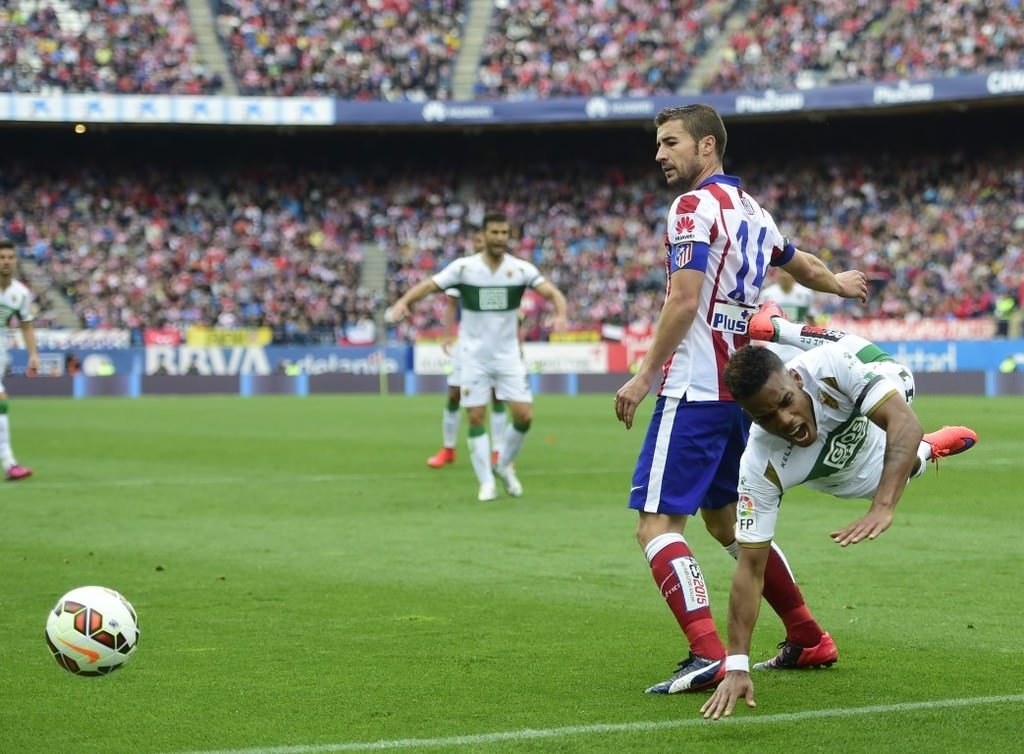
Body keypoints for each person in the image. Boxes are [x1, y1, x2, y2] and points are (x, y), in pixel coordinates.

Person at [613, 104, 869, 694]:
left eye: (670, 142)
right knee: (728, 523)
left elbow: (684, 300)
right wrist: (838, 283)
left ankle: (706, 650)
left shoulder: (692, 207)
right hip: (741, 396)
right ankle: (808, 635)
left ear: (707, 147)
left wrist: (645, 373)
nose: (659, 154)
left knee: (656, 525)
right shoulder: (753, 211)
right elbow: (796, 261)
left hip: (695, 388)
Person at [701, 334, 978, 719]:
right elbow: (750, 569)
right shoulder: (760, 464)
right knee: (910, 461)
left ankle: (781, 327)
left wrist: (884, 506)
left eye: (785, 402)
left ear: (797, 381)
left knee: (893, 392)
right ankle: (929, 449)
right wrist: (736, 666)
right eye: (766, 417)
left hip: (887, 400)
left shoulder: (828, 367)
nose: (785, 420)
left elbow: (903, 421)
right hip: (857, 478)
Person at [388, 211, 568, 501]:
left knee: (524, 416)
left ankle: (503, 464)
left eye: (504, 233)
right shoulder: (463, 268)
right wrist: (404, 301)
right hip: (473, 357)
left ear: (509, 236)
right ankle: (486, 483)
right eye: (494, 233)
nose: (499, 238)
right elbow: (430, 285)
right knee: (475, 417)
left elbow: (554, 293)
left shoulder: (520, 269)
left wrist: (560, 314)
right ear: (483, 236)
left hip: (508, 356)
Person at [427, 228, 510, 469]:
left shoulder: (504, 271)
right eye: (476, 240)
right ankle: (448, 448)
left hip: (497, 345)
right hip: (467, 344)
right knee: (454, 393)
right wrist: (446, 335)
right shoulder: (463, 269)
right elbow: (451, 304)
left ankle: (498, 452)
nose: (479, 243)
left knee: (497, 397)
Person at [0, 240, 38, 480]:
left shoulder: (20, 293)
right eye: (2, 257)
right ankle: (9, 462)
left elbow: (26, 325)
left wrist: (33, 353)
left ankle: (9, 463)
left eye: (10, 257)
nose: (6, 261)